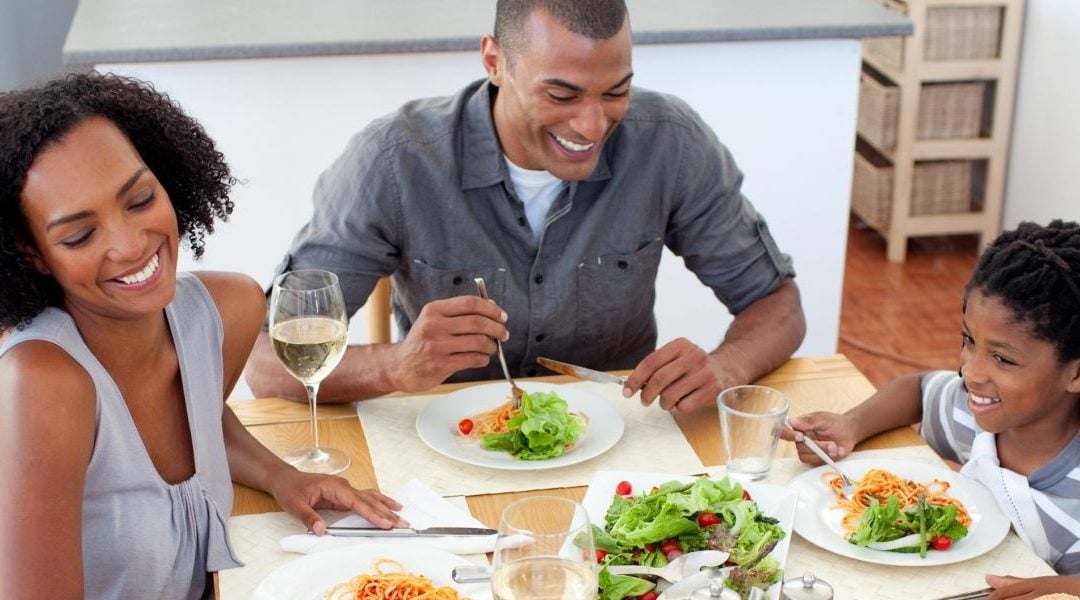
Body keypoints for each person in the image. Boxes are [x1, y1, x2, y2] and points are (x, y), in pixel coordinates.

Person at [245, 0, 806, 413]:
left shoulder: (672, 143)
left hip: (618, 448)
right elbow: (266, 360)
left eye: (615, 91)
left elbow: (776, 302)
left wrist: (725, 365)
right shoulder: (393, 161)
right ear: (495, 61)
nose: (592, 126)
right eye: (561, 95)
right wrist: (394, 365)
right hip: (442, 449)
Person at [0, 73, 403, 600]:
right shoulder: (42, 383)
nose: (129, 244)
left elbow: (202, 418)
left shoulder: (225, 312)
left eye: (140, 199)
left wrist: (284, 476)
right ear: (32, 253)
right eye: (79, 235)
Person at [782, 220, 1080, 593]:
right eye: (969, 339)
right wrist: (853, 424)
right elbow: (919, 392)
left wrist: (1053, 587)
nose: (970, 371)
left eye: (1003, 359)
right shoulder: (972, 415)